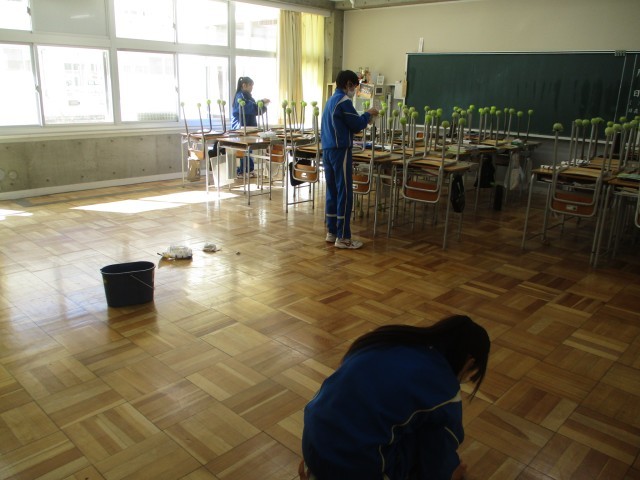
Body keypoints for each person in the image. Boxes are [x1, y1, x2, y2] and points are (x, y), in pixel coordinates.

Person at [300, 315, 491, 480]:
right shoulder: (444, 388)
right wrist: (451, 473)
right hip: (349, 467)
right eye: (470, 376)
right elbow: (440, 453)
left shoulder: (387, 340)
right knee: (428, 443)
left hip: (312, 443)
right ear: (469, 362)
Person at [321, 70, 378, 249]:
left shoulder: (331, 100)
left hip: (327, 150)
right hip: (340, 151)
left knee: (332, 191)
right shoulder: (343, 100)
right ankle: (344, 237)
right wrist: (368, 114)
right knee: (344, 193)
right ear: (348, 84)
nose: (355, 90)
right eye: (354, 86)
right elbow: (356, 124)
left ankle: (332, 232)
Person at [231, 76, 270, 177]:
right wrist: (262, 102)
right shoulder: (240, 96)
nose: (252, 88)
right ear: (244, 85)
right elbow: (249, 107)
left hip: (248, 126)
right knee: (244, 149)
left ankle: (249, 169)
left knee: (249, 149)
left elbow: (256, 109)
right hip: (240, 126)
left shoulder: (248, 96)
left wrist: (263, 105)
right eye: (250, 86)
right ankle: (242, 171)